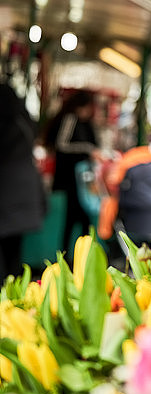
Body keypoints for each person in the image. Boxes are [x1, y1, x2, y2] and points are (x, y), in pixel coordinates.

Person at [0, 83, 47, 279]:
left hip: (6, 192)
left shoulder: (4, 125)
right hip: (25, 192)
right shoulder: (24, 121)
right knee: (14, 250)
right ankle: (13, 297)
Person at [44, 89, 99, 254]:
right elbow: (62, 144)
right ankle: (73, 255)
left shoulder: (83, 122)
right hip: (72, 179)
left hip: (79, 179)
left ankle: (75, 255)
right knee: (76, 217)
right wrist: (88, 150)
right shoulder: (70, 119)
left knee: (78, 217)